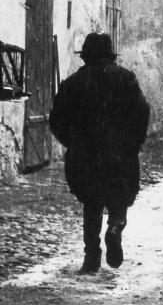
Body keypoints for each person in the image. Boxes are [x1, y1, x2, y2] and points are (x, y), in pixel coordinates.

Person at [49, 32, 150, 275]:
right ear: (110, 56)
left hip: (85, 157)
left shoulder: (73, 83)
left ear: (85, 56)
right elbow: (142, 113)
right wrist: (132, 144)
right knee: (119, 198)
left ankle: (91, 257)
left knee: (91, 204)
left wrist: (72, 143)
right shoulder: (126, 79)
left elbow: (56, 120)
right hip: (120, 155)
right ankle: (115, 227)